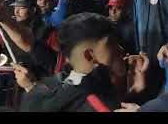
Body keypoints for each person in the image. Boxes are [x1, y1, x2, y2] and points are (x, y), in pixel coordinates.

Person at [13, 13, 149, 112]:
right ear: (90, 56)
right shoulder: (94, 104)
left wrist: (136, 89)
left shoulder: (72, 82)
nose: (121, 50)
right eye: (112, 45)